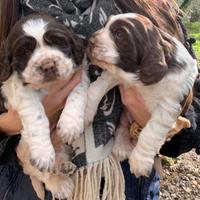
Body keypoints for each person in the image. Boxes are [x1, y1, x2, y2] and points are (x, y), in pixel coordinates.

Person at [0, 0, 199, 200]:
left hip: (128, 185)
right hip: (27, 187)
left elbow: (194, 110)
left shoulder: (152, 5)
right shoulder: (5, 11)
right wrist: (9, 124)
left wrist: (156, 125)